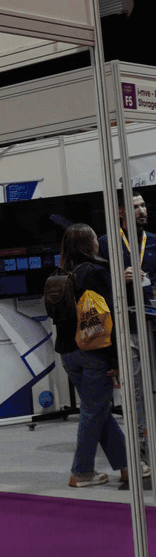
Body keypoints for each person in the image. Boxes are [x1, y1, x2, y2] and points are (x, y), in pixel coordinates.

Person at [48, 223, 127, 488]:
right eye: (95, 238)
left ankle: (127, 465)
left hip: (68, 355)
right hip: (94, 354)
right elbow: (109, 320)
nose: (98, 243)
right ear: (89, 244)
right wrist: (116, 360)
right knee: (94, 411)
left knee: (98, 409)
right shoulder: (95, 273)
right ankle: (81, 472)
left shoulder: (60, 274)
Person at [98, 189, 156, 473]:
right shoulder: (107, 244)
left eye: (143, 205)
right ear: (120, 211)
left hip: (152, 324)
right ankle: (140, 458)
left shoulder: (154, 242)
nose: (142, 210)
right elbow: (97, 292)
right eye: (135, 207)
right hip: (126, 329)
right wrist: (119, 280)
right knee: (135, 395)